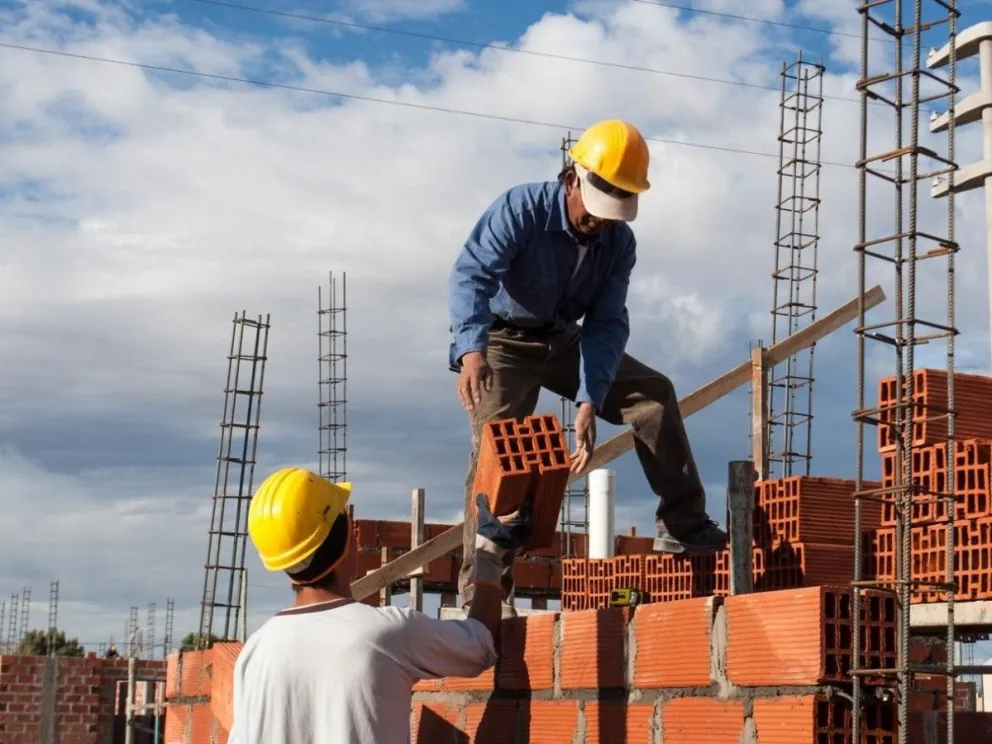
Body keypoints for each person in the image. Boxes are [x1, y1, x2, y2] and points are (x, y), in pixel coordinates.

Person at [447, 118, 729, 614]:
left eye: (614, 211)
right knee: (502, 453)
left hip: (564, 339)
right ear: (573, 178)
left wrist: (588, 399)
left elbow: (606, 324)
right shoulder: (521, 209)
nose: (600, 222)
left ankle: (684, 526)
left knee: (653, 395)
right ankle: (485, 590)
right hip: (502, 342)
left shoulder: (618, 243)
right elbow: (471, 275)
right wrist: (472, 351)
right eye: (597, 208)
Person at [227, 466, 535, 744]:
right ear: (348, 537)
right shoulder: (383, 634)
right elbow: (480, 644)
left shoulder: (255, 653)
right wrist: (489, 555)